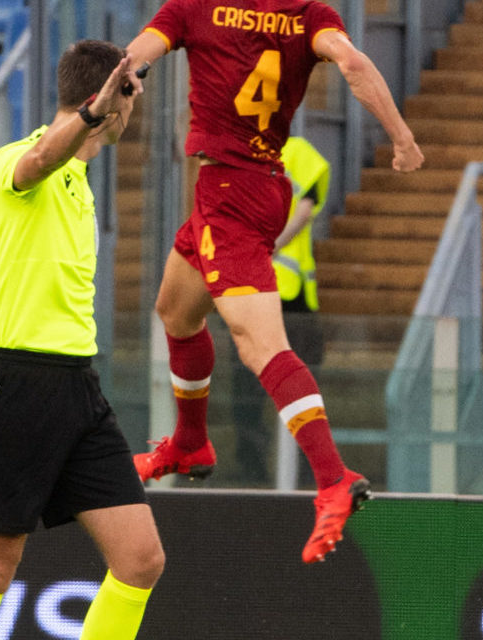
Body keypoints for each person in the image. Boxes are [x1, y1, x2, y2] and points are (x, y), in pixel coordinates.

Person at [124, 0, 424, 564]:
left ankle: (334, 478)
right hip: (253, 185)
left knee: (261, 346)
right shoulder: (309, 15)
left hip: (230, 193)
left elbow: (139, 52)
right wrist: (401, 137)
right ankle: (190, 442)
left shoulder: (194, 8)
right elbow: (355, 64)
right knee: (176, 311)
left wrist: (118, 79)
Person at [0, 40, 165, 640]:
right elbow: (37, 160)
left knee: (141, 559)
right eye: (132, 95)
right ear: (109, 98)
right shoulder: (21, 160)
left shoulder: (82, 181)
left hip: (76, 384)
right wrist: (91, 114)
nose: (135, 108)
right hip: (14, 380)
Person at [230, 136, 330, 485]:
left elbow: (304, 210)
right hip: (262, 295)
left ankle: (286, 475)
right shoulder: (246, 151)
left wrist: (265, 246)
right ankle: (274, 475)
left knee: (271, 391)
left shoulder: (290, 151)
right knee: (264, 393)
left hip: (275, 297)